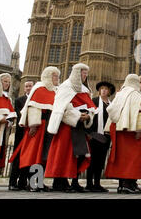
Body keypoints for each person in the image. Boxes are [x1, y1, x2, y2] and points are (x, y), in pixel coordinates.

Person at [45, 63, 95, 193]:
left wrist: (88, 116)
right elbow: (62, 108)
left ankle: (74, 182)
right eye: (83, 72)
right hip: (66, 128)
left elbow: (91, 108)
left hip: (79, 128)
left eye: (86, 73)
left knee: (79, 155)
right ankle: (60, 182)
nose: (85, 75)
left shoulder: (84, 90)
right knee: (65, 155)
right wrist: (78, 116)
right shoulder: (65, 87)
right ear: (77, 73)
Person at [9, 67, 60, 192]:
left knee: (44, 156)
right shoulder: (39, 88)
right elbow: (33, 108)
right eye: (55, 76)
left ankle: (40, 182)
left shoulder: (55, 91)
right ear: (49, 76)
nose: (57, 79)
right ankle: (32, 183)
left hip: (48, 127)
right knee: (35, 156)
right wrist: (33, 124)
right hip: (39, 127)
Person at [104, 74, 141, 194]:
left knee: (121, 158)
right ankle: (128, 184)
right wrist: (139, 129)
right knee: (131, 158)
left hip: (118, 129)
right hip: (130, 132)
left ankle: (122, 185)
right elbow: (138, 112)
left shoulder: (120, 93)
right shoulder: (134, 94)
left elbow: (112, 110)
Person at [86, 81, 115, 193]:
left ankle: (97, 183)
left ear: (109, 91)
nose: (103, 90)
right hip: (94, 135)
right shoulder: (94, 101)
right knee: (92, 160)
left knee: (101, 161)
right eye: (101, 88)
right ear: (99, 91)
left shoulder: (111, 105)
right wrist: (89, 133)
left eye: (105, 89)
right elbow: (89, 117)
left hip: (106, 136)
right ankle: (89, 184)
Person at [8, 80, 34, 191]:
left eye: (30, 86)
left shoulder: (36, 100)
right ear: (24, 88)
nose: (28, 88)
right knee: (17, 158)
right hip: (22, 132)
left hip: (33, 133)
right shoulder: (19, 100)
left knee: (29, 158)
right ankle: (12, 183)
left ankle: (23, 182)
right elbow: (19, 114)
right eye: (26, 86)